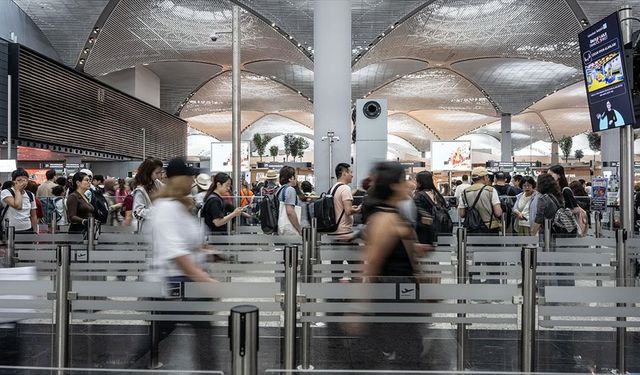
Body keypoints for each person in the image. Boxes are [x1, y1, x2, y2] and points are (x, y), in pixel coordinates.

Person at [145, 157, 215, 369]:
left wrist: (209, 252)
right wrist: (203, 278)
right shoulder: (167, 208)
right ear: (178, 179)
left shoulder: (181, 206)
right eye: (189, 176)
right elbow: (175, 252)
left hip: (183, 282)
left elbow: (189, 243)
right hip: (173, 283)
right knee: (158, 338)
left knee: (163, 336)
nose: (192, 180)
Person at [362, 161, 431, 363]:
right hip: (393, 292)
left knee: (408, 345)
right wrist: (360, 306)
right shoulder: (384, 218)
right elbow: (372, 263)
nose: (409, 184)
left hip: (401, 291)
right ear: (393, 186)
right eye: (404, 180)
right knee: (407, 348)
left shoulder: (394, 214)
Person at [458, 167, 502, 234]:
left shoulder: (464, 192)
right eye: (487, 176)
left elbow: (461, 214)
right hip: (490, 227)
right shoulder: (491, 190)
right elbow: (498, 212)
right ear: (484, 177)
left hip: (472, 228)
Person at [414, 171, 451, 244]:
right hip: (443, 232)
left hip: (426, 234)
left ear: (419, 182)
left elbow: (419, 215)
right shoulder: (437, 194)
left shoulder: (418, 196)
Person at [548, 164, 587, 234]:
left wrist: (562, 211)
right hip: (556, 226)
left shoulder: (565, 190)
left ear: (559, 175)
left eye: (551, 175)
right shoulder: (553, 190)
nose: (548, 178)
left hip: (566, 227)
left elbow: (575, 209)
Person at [1, 169, 38, 234]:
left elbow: (33, 215)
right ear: (13, 181)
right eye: (19, 180)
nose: (22, 182)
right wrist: (18, 190)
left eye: (25, 180)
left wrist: (35, 231)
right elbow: (18, 206)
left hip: (27, 229)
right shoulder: (6, 192)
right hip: (9, 230)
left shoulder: (30, 195)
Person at [132, 158, 164, 230]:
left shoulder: (156, 183)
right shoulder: (140, 190)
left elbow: (168, 191)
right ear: (148, 172)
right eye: (157, 173)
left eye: (160, 172)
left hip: (157, 228)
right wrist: (158, 211)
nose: (159, 176)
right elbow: (138, 212)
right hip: (146, 231)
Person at [330, 163, 361, 235]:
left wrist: (351, 207)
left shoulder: (334, 188)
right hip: (344, 230)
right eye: (351, 172)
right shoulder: (345, 188)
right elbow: (349, 211)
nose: (352, 175)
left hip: (336, 228)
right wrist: (359, 208)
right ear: (344, 173)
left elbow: (339, 207)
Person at [277, 166, 302, 235]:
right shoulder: (290, 190)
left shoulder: (280, 190)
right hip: (289, 228)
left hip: (281, 226)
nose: (296, 180)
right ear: (291, 178)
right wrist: (299, 229)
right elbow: (290, 212)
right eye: (295, 177)